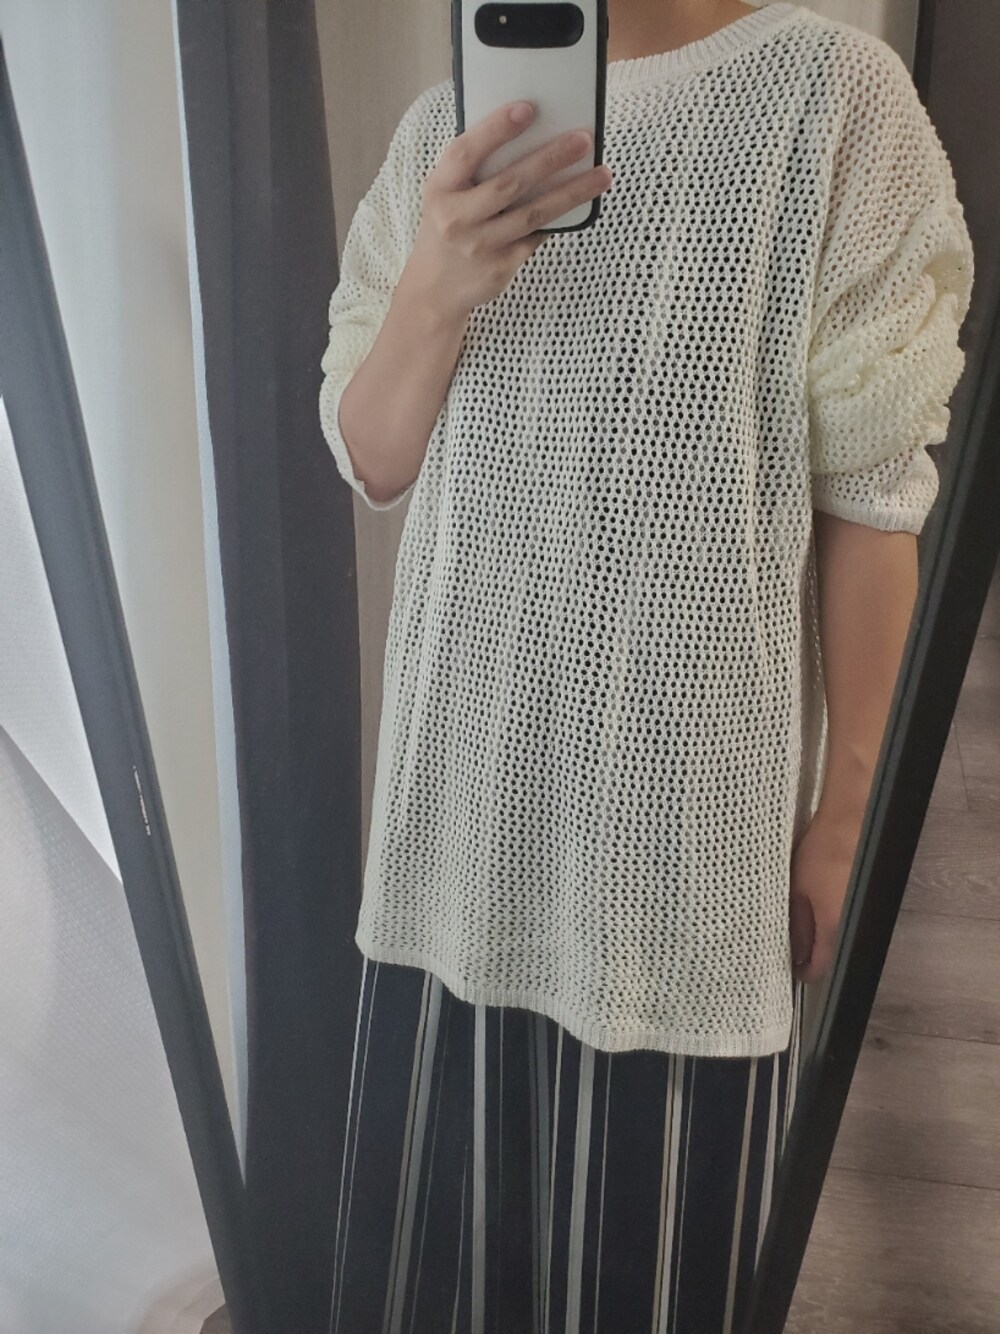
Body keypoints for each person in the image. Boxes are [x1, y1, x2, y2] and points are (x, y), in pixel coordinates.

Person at [318, 2, 974, 1330]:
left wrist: (847, 810)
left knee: (655, 1270)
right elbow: (375, 456)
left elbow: (873, 496)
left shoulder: (834, 100)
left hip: (681, 839)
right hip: (459, 807)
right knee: (435, 1276)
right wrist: (435, 289)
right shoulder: (445, 130)